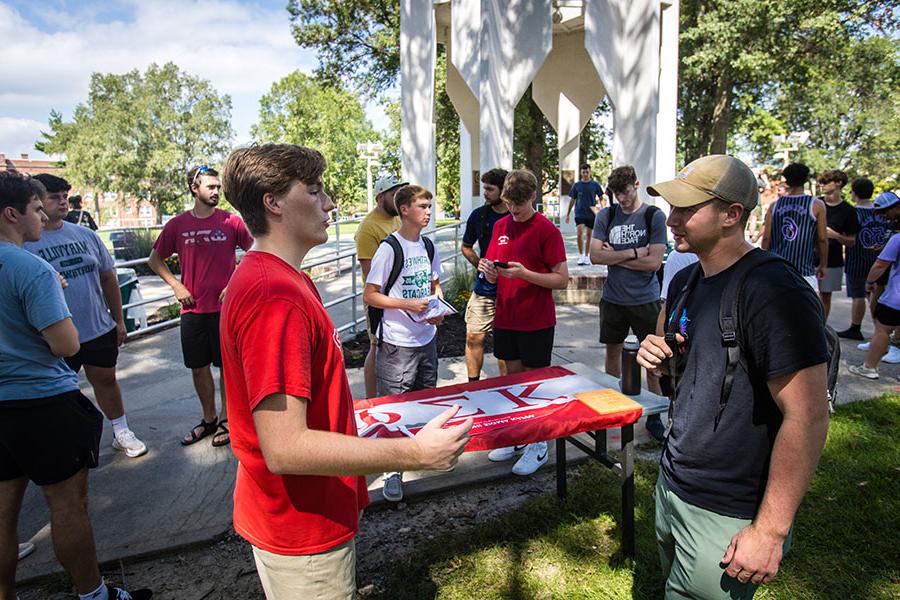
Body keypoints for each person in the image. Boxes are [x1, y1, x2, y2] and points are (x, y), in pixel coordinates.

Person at [218, 144, 471, 599]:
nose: (331, 203)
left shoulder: (285, 279)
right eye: (315, 192)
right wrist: (415, 454)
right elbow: (285, 447)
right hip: (301, 525)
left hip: (314, 511)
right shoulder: (273, 296)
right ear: (273, 203)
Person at [638, 154, 829, 599]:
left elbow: (808, 417)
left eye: (687, 209)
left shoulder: (774, 291)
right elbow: (682, 385)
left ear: (731, 215)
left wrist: (770, 532)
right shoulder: (686, 282)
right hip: (674, 486)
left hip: (728, 510)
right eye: (672, 207)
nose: (672, 219)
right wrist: (660, 362)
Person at [0, 171, 152, 600]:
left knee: (2, 517)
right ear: (13, 214)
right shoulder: (31, 269)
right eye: (34, 207)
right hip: (41, 402)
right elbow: (66, 344)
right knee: (67, 506)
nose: (41, 214)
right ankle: (94, 594)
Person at [25, 174, 147, 458]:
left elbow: (108, 278)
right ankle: (62, 446)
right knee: (59, 394)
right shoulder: (27, 242)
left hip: (96, 328)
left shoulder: (85, 235)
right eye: (54, 197)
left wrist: (118, 319)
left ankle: (121, 430)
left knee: (106, 380)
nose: (63, 201)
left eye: (65, 196)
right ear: (38, 201)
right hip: (52, 336)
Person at [148, 166, 254, 447]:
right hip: (192, 311)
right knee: (198, 367)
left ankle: (226, 419)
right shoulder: (177, 225)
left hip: (224, 311)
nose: (216, 192)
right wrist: (176, 285)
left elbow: (256, 251)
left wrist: (234, 283)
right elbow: (154, 260)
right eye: (211, 187)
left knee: (227, 369)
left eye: (218, 187)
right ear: (194, 188)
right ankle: (208, 420)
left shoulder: (231, 221)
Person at [479, 169, 569, 476]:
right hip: (507, 315)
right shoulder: (501, 225)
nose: (514, 210)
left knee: (535, 385)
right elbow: (492, 267)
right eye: (509, 203)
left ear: (533, 197)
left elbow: (561, 279)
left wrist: (526, 274)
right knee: (513, 382)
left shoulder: (547, 230)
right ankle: (519, 435)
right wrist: (488, 270)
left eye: (519, 204)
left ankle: (539, 443)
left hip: (536, 320)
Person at [363, 184, 444, 501]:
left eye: (429, 205)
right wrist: (408, 305)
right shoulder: (389, 249)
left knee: (424, 400)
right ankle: (392, 471)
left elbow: (435, 284)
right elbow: (370, 295)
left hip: (427, 339)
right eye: (423, 206)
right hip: (397, 345)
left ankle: (421, 454)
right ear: (405, 209)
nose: (428, 211)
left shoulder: (428, 246)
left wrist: (437, 308)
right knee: (394, 407)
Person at [589, 165, 668, 440]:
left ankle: (656, 415)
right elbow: (595, 257)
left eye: (625, 191)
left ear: (636, 184)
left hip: (645, 300)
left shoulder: (653, 216)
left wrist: (617, 254)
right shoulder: (607, 215)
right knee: (613, 353)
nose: (621, 198)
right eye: (616, 193)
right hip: (613, 299)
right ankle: (617, 408)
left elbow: (653, 263)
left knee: (652, 360)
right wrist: (634, 251)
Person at [354, 175, 406, 398]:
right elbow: (370, 273)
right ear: (380, 197)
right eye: (394, 195)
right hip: (380, 299)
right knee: (377, 347)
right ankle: (372, 400)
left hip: (400, 296)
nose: (398, 199)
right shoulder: (368, 228)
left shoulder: (396, 219)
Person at [461, 168, 509, 382]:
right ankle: (473, 385)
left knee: (505, 342)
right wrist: (478, 263)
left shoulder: (515, 215)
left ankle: (504, 385)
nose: (485, 193)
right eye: (484, 188)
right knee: (473, 336)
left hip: (511, 290)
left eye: (490, 189)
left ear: (504, 190)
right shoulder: (479, 215)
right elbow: (466, 246)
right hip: (484, 289)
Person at [848, 192, 900, 380]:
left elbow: (880, 265)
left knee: (882, 330)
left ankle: (869, 367)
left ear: (896, 207)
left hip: (896, 297)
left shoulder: (897, 238)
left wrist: (869, 281)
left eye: (885, 212)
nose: (883, 217)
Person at [838, 179, 891, 341]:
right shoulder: (881, 212)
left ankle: (856, 327)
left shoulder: (854, 212)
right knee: (876, 296)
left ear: (854, 193)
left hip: (857, 258)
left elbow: (848, 236)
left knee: (858, 295)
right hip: (879, 258)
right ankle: (880, 331)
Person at [761, 162, 828, 290]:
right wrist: (823, 264)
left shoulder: (775, 205)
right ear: (806, 179)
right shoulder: (816, 204)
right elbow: (822, 239)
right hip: (804, 270)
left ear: (787, 180)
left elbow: (766, 238)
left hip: (778, 268)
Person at [815, 170, 858, 318]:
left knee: (825, 296)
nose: (822, 185)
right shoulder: (815, 204)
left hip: (833, 259)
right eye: (821, 182)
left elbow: (852, 241)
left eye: (826, 182)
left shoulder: (849, 211)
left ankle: (821, 326)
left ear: (839, 183)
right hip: (809, 257)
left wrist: (836, 236)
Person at [565, 163, 605, 265]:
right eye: (583, 172)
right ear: (581, 173)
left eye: (587, 171)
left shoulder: (595, 184)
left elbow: (601, 198)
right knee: (579, 233)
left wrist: (603, 211)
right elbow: (572, 200)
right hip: (579, 213)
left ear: (590, 172)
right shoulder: (577, 185)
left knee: (589, 235)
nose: (585, 173)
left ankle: (587, 256)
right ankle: (581, 255)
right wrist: (568, 214)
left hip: (591, 213)